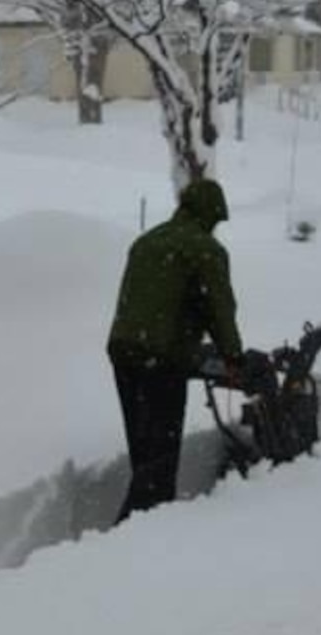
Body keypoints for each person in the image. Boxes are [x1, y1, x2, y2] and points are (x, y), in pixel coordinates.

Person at [105, 177, 244, 521]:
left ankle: (140, 519)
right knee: (162, 456)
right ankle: (136, 529)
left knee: (144, 450)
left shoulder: (147, 241)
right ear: (210, 214)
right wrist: (233, 357)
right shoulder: (206, 249)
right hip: (162, 357)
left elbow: (154, 301)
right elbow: (219, 309)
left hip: (124, 350)